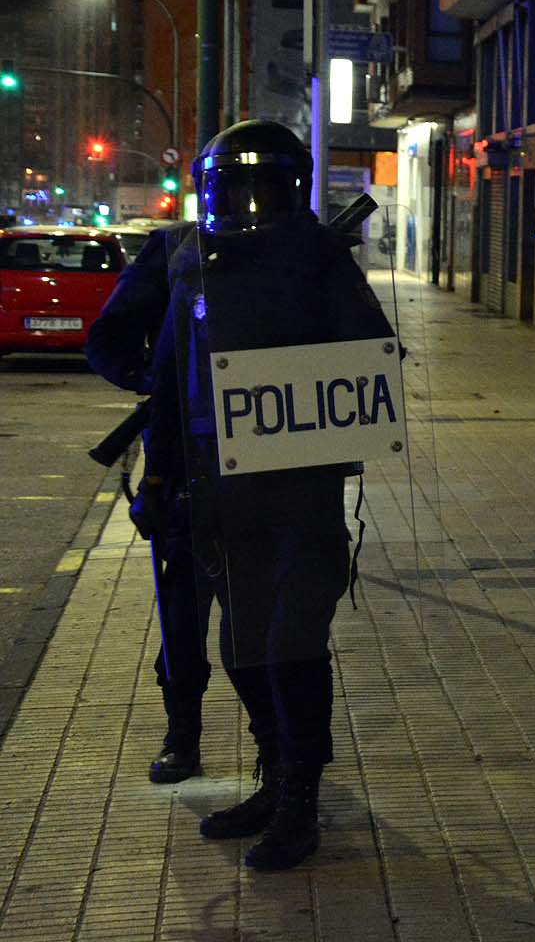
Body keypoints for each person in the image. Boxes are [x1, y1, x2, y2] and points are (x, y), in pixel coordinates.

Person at [87, 120, 395, 872]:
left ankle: (300, 801)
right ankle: (273, 777)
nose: (253, 200)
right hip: (214, 496)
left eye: (268, 185)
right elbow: (159, 375)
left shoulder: (318, 257)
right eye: (239, 184)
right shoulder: (186, 257)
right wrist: (161, 474)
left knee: (291, 646)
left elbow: (372, 361)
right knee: (244, 649)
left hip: (299, 493)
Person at [86, 236, 210, 786]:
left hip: (272, 471)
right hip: (185, 466)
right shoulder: (174, 249)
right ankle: (182, 735)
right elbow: (108, 339)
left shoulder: (296, 247)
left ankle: (285, 764)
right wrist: (160, 384)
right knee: (182, 617)